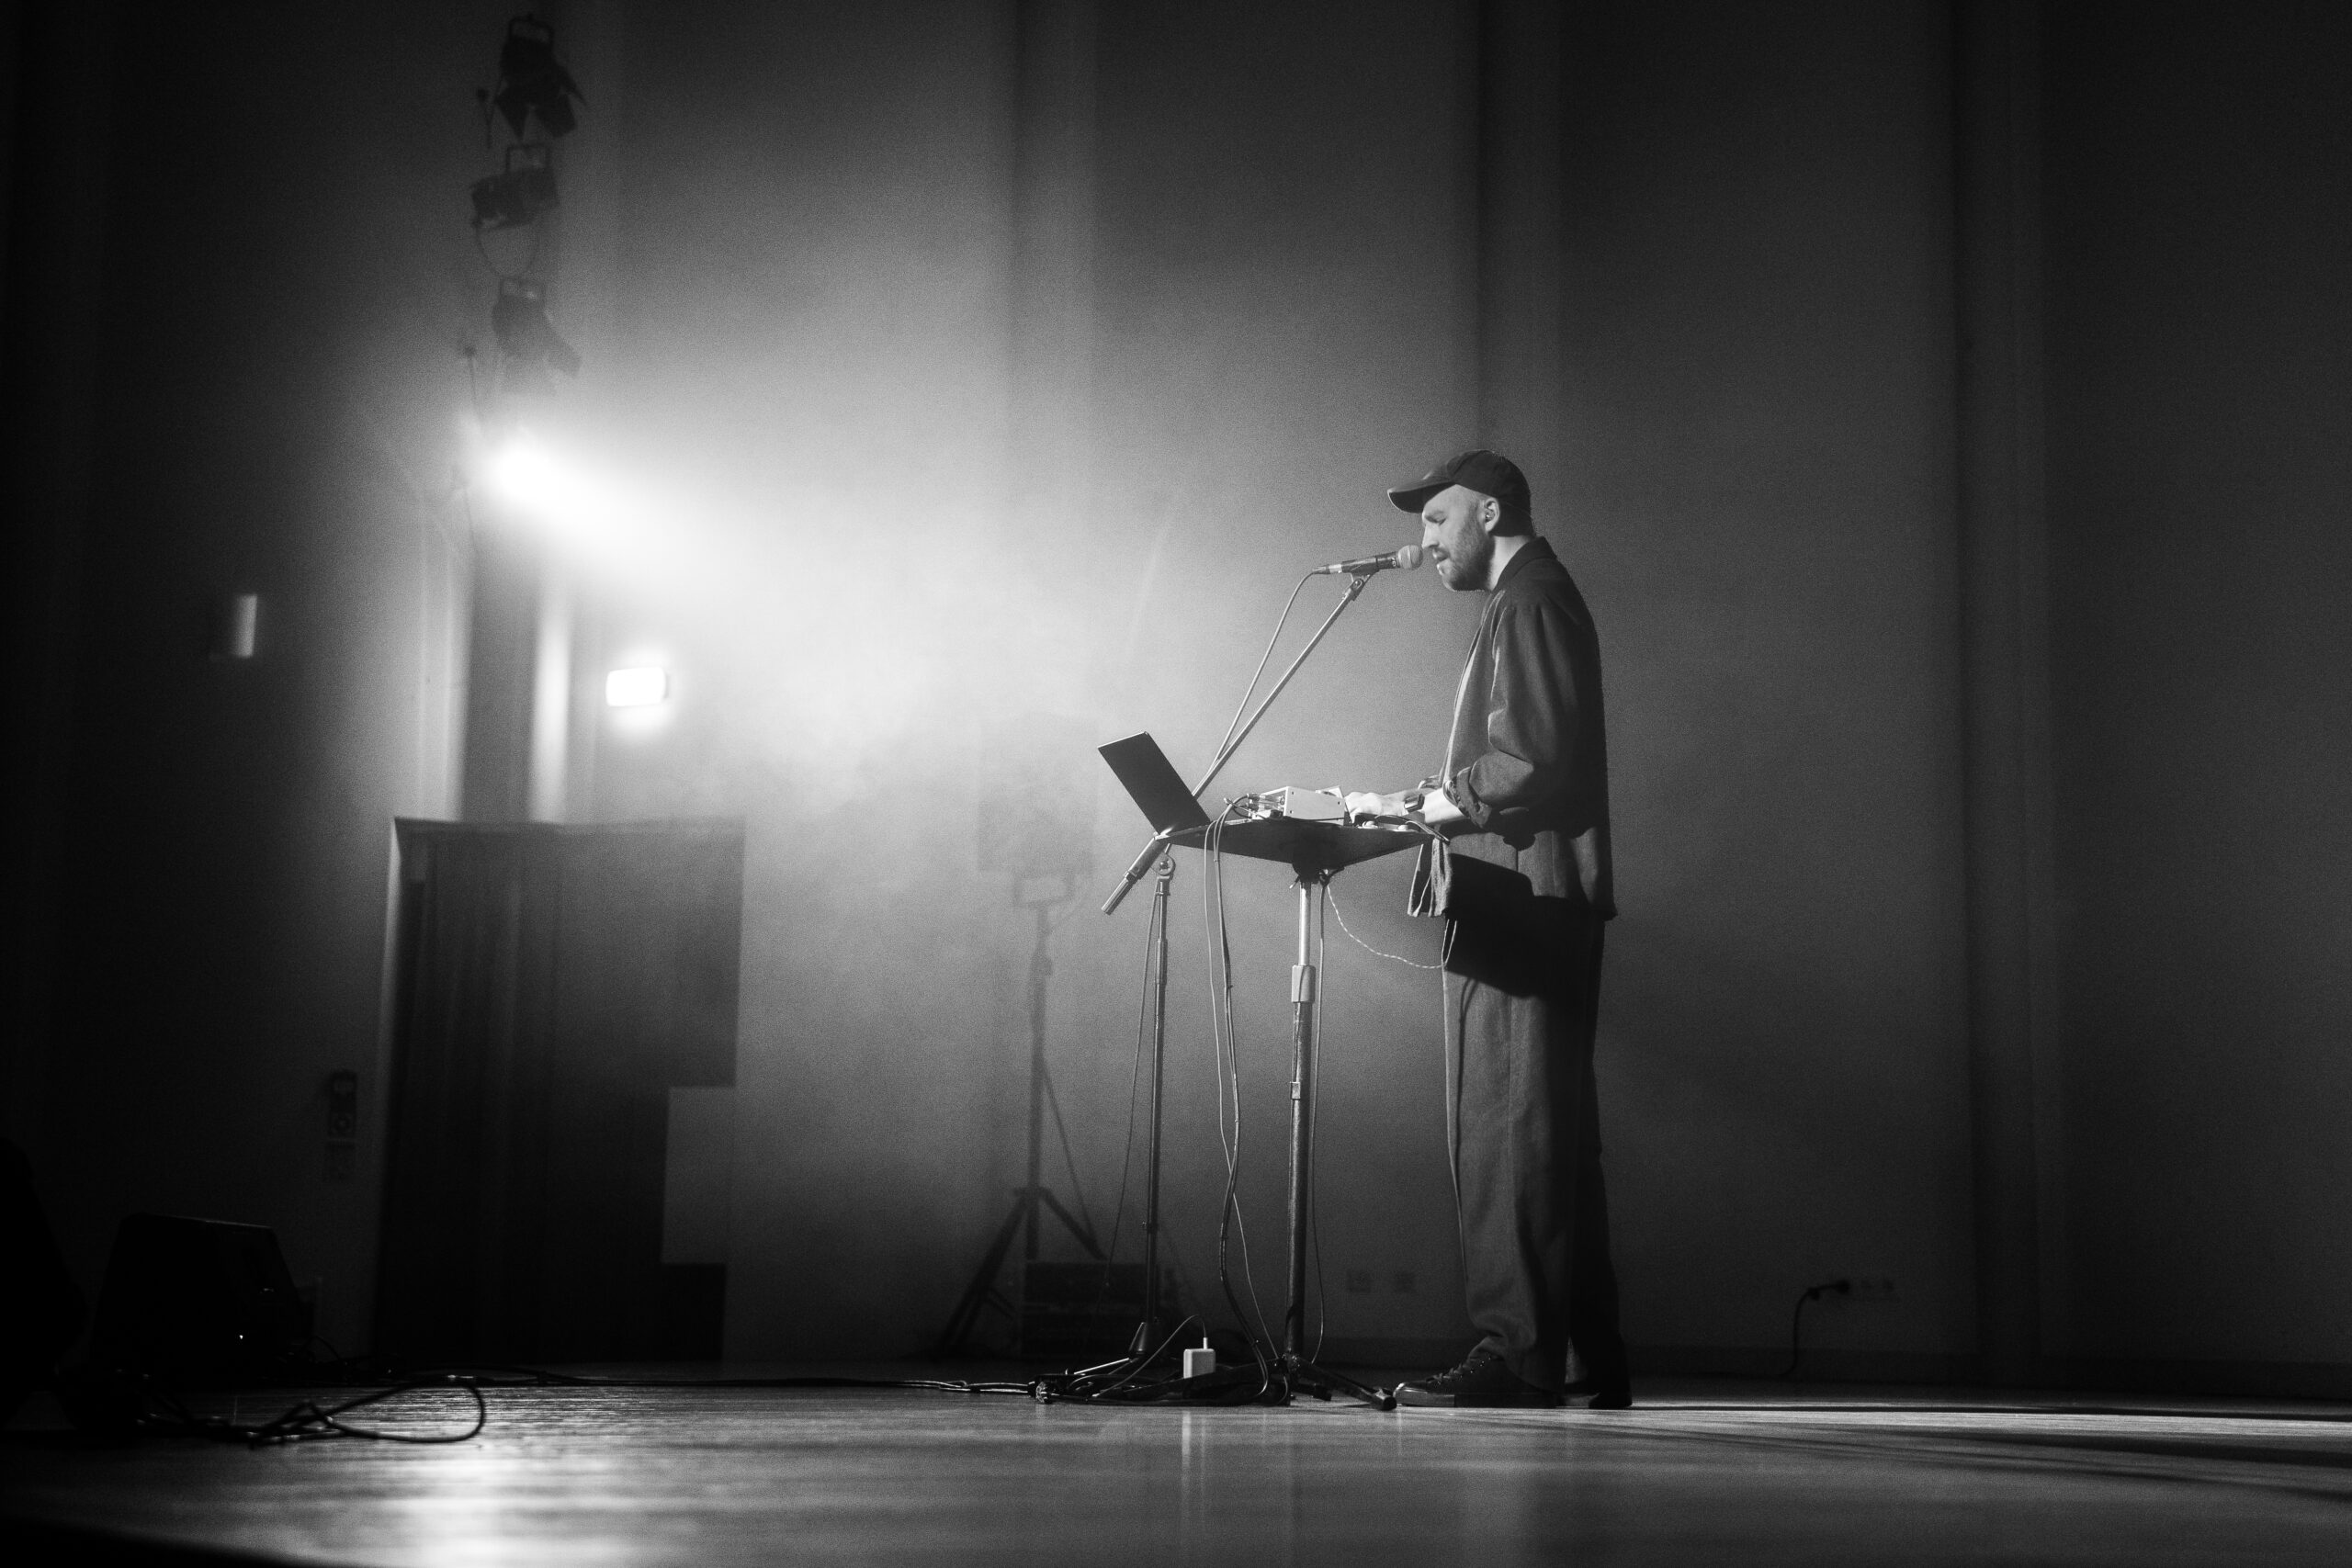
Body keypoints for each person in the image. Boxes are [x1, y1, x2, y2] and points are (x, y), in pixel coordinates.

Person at [1342, 448, 1630, 1410]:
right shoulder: (1532, 598)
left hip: (1522, 897)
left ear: (1491, 513)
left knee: (1508, 1132)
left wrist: (1419, 805)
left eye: (1437, 519)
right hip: (1540, 895)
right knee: (1549, 1137)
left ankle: (1517, 1352)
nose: (1424, 542)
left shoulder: (1529, 599)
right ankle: (1582, 1355)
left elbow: (1531, 760)